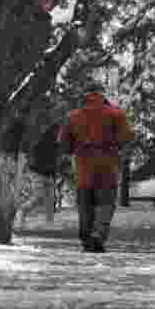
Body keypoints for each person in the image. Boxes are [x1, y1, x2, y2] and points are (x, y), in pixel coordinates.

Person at [58, 82, 135, 252]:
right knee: (106, 203)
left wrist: (74, 149)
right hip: (108, 165)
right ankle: (98, 235)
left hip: (83, 166)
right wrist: (120, 153)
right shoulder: (116, 114)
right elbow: (126, 138)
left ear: (85, 95)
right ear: (102, 94)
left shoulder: (72, 116)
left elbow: (64, 143)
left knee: (86, 203)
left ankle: (86, 237)